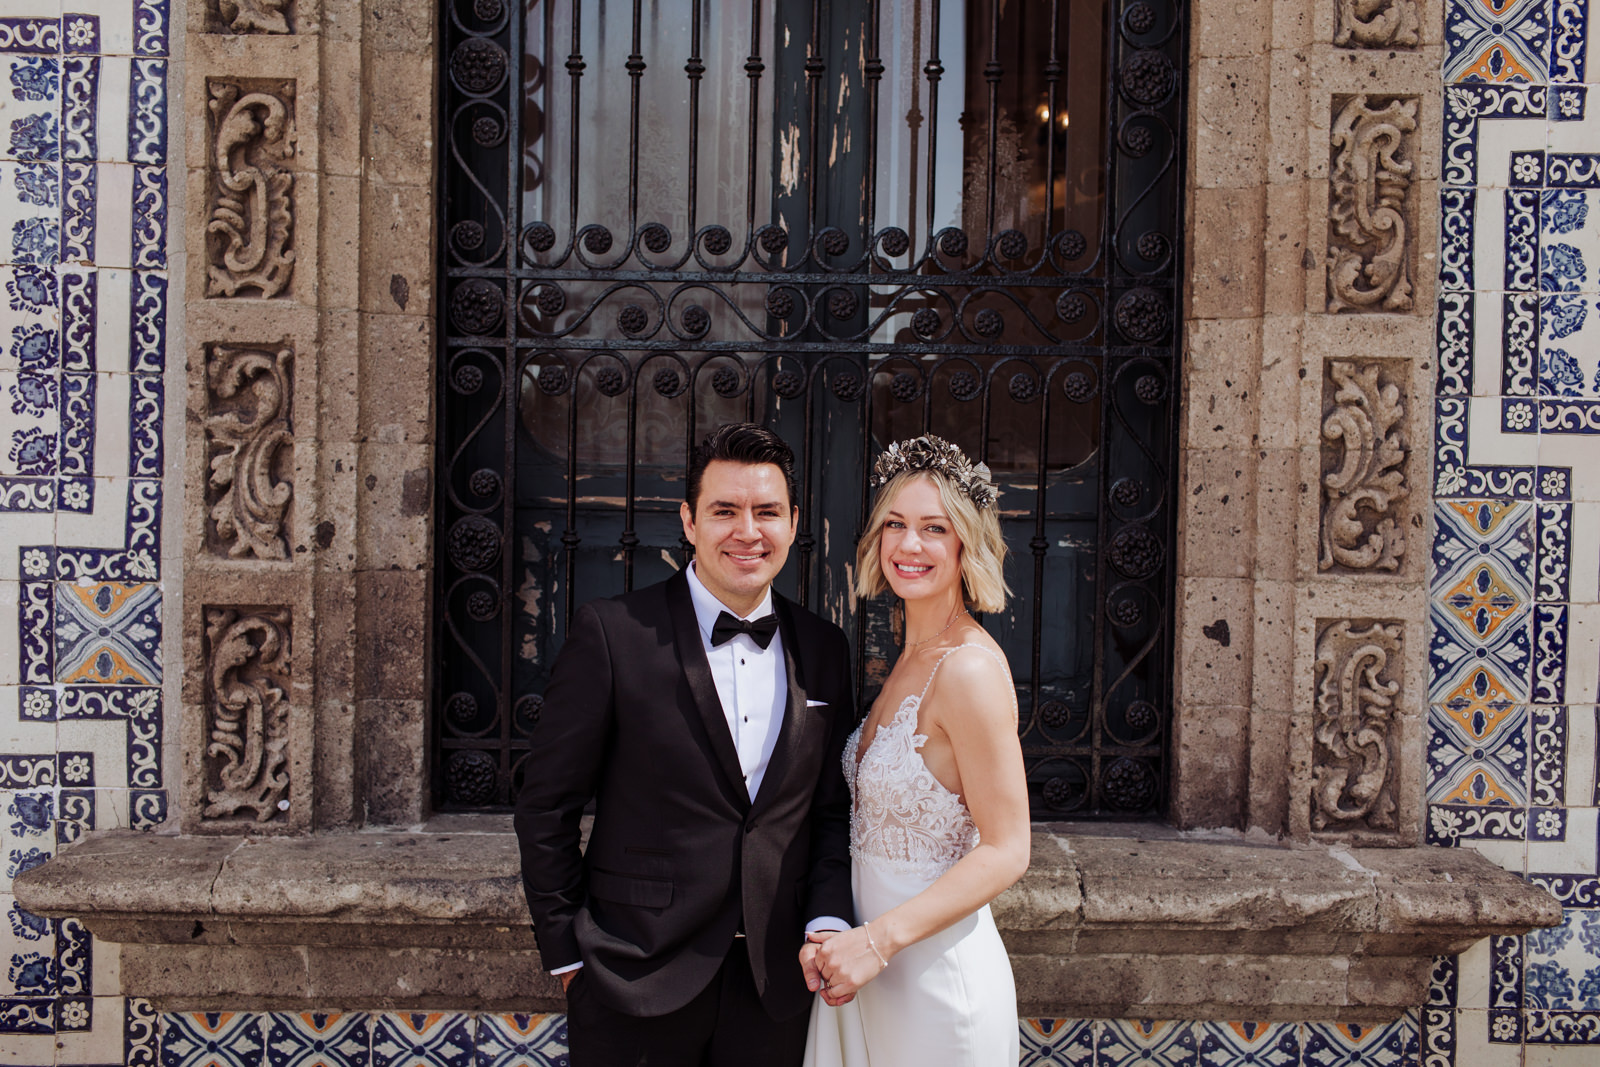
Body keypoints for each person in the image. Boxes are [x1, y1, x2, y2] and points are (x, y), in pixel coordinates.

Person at [514, 423, 857, 1067]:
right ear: (689, 521)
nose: (747, 531)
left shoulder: (825, 648)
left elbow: (832, 809)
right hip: (632, 977)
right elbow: (546, 805)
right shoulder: (611, 633)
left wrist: (828, 921)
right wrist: (567, 952)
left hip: (776, 984)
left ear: (793, 523)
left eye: (767, 512)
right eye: (724, 511)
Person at [802, 435, 1031, 1067]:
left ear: (966, 545)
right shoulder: (910, 655)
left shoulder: (970, 670)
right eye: (895, 524)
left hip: (935, 984)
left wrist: (877, 942)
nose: (909, 544)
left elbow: (1008, 849)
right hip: (869, 975)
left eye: (934, 528)